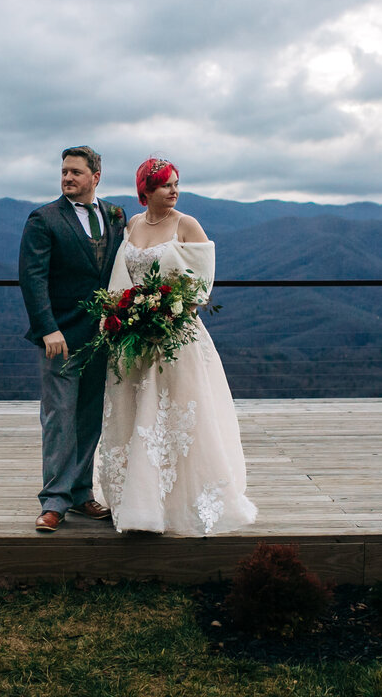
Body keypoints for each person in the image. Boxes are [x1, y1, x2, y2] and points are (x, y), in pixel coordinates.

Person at [95, 157, 257, 535]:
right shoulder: (134, 224)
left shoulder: (187, 224)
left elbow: (201, 286)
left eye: (176, 183)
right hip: (135, 336)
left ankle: (177, 502)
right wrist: (125, 315)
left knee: (176, 418)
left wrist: (167, 314)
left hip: (175, 336)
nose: (174, 190)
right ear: (146, 190)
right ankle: (137, 501)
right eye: (166, 184)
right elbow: (123, 277)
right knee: (137, 414)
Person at [19, 146, 127, 532]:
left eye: (76, 172)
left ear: (95, 177)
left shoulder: (115, 215)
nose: (67, 178)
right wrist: (48, 327)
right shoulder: (43, 219)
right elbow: (33, 278)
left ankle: (81, 494)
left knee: (90, 417)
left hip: (103, 336)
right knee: (59, 418)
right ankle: (54, 501)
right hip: (60, 336)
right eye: (64, 171)